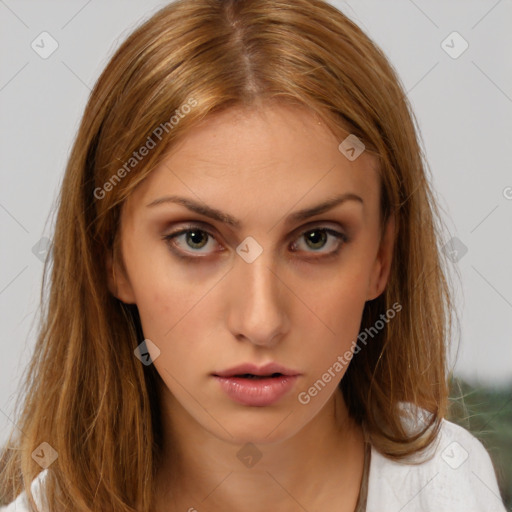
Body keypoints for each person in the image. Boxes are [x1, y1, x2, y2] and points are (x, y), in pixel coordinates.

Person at [0, 0, 506, 511]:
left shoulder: (450, 486)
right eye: (195, 238)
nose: (261, 322)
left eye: (316, 238)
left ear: (382, 257)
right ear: (110, 257)